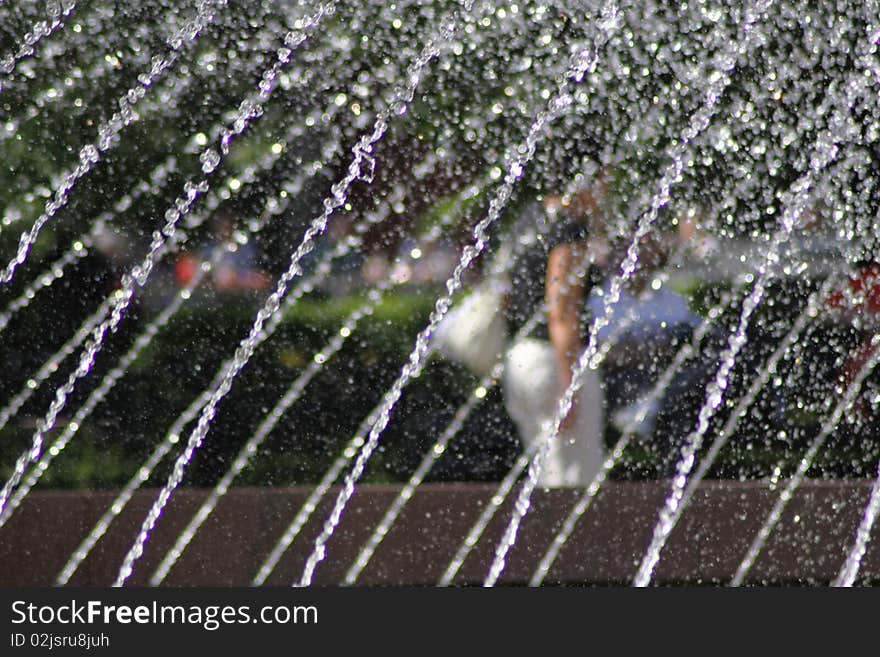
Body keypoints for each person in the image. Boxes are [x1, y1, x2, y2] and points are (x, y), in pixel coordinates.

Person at [502, 180, 609, 487]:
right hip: (554, 362)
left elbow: (506, 294)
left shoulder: (531, 218)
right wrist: (569, 384)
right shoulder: (568, 230)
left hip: (522, 359)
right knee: (574, 481)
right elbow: (562, 311)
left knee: (545, 475)